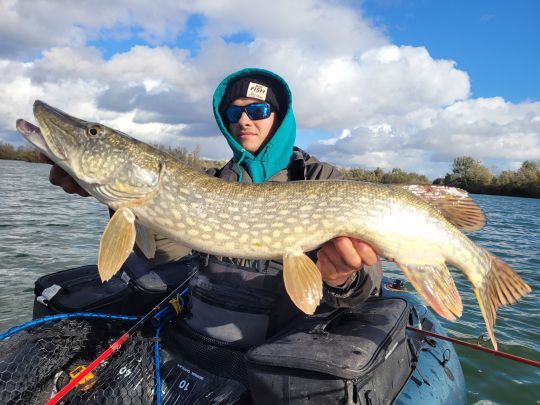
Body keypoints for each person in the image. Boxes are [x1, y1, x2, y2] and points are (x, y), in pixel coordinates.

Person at [41, 68, 382, 346]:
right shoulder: (208, 182)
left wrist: (341, 279)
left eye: (259, 110)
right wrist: (118, 206)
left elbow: (369, 288)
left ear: (279, 118)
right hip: (203, 343)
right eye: (235, 112)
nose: (245, 120)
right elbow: (166, 256)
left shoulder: (319, 179)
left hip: (286, 350)